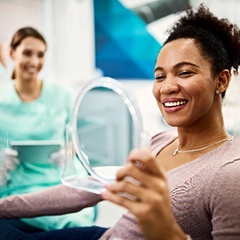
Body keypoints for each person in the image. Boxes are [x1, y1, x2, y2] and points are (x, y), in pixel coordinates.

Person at [1, 4, 240, 240]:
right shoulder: (159, 143)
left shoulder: (230, 174)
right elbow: (85, 191)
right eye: (159, 76)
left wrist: (165, 232)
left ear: (221, 80)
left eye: (185, 72)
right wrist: (4, 206)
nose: (167, 87)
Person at [0, 27, 96, 232]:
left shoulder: (61, 95)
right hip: (19, 187)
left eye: (40, 55)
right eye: (27, 53)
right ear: (11, 53)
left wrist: (68, 154)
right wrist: (2, 164)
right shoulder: (1, 102)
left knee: (77, 221)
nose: (34, 62)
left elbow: (73, 139)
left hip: (60, 181)